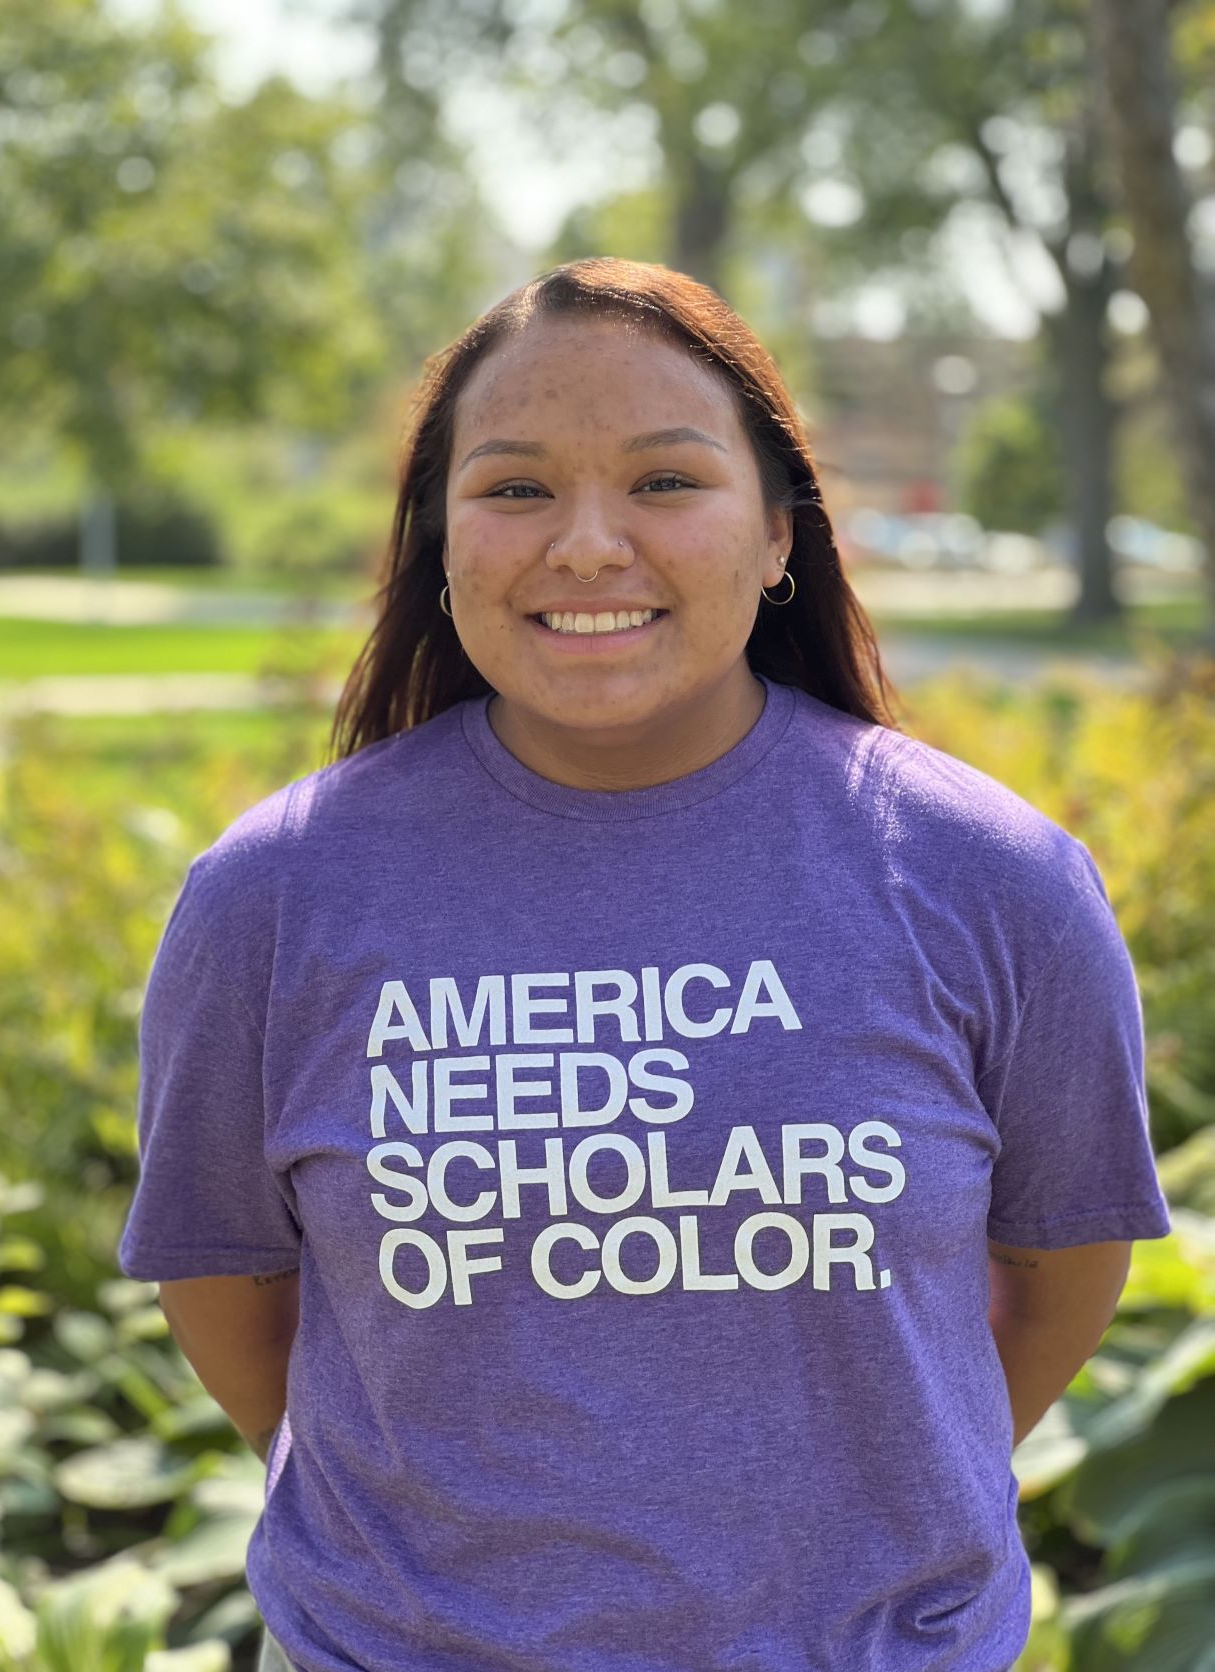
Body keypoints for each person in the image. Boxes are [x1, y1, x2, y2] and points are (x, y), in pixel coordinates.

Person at [117, 256, 1172, 1672]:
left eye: (666, 484)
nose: (588, 544)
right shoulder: (271, 900)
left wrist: (863, 1525)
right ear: (439, 539)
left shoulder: (994, 881)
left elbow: (1057, 1277)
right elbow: (230, 1292)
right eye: (515, 489)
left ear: (778, 533)